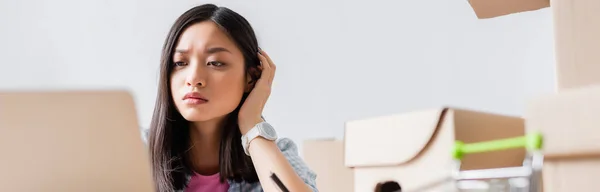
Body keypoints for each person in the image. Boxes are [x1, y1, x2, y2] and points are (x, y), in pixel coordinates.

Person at [145, 3, 318, 192]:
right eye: (180, 63)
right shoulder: (135, 152)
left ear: (251, 78)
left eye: (215, 63)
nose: (193, 78)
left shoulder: (274, 156)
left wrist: (252, 123)